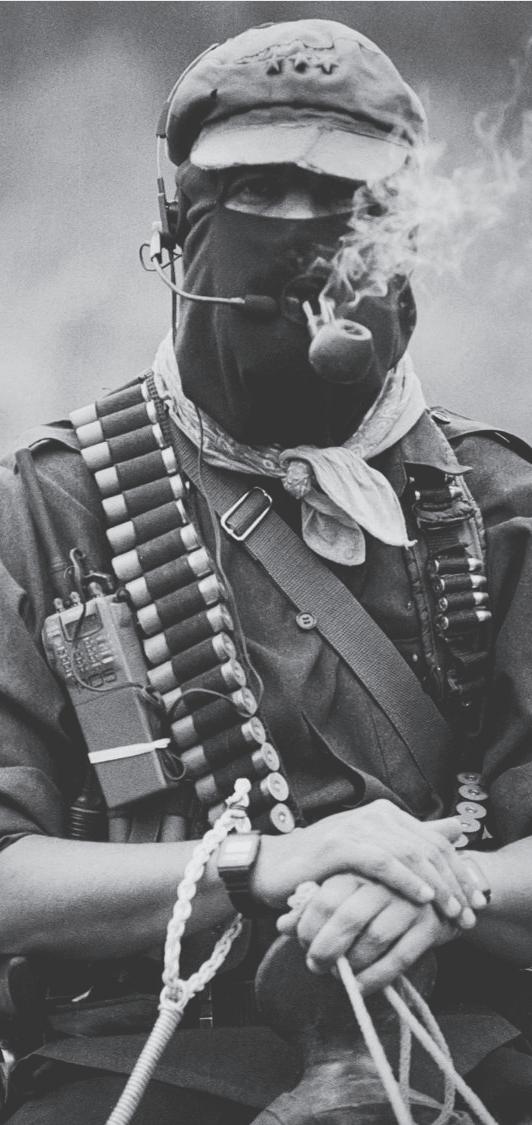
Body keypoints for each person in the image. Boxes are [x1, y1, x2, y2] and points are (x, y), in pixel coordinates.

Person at [1, 17, 532, 1125]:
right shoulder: (49, 507)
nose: (298, 235)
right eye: (256, 196)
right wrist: (261, 864)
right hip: (143, 1053)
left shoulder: (497, 501)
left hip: (463, 1038)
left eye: (338, 200)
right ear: (176, 232)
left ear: (405, 236)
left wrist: (448, 886)